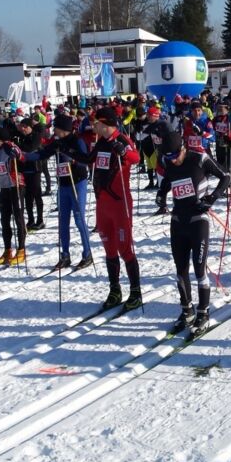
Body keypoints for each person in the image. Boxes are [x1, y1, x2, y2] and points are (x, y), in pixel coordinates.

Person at [155, 132, 230, 336]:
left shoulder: (199, 159)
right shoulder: (169, 161)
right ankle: (186, 309)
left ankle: (203, 312)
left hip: (198, 221)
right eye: (168, 157)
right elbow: (167, 182)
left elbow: (226, 176)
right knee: (180, 270)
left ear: (183, 149)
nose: (172, 161)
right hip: (178, 221)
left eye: (174, 156)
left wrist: (212, 198)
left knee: (199, 269)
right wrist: (161, 196)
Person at [23, 114, 94, 270]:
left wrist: (73, 159)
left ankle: (87, 254)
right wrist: (23, 156)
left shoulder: (78, 140)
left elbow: (86, 160)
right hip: (63, 184)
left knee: (79, 219)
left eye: (56, 127)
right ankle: (65, 255)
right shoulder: (58, 142)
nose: (54, 130)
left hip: (77, 182)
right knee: (62, 221)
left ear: (63, 129)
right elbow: (42, 154)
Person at [88, 107, 142, 310]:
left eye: (97, 123)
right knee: (109, 248)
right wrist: (65, 150)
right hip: (102, 204)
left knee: (125, 248)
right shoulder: (101, 142)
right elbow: (88, 159)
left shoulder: (122, 139)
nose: (95, 126)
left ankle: (135, 291)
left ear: (106, 124)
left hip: (120, 203)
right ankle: (115, 289)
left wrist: (123, 151)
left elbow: (135, 158)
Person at [0, 128, 26, 265]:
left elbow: (21, 157)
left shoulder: (10, 146)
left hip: (16, 185)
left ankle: (21, 250)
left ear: (1, 139)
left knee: (18, 217)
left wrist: (14, 152)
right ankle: (7, 250)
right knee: (4, 220)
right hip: (4, 187)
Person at [16, 118, 45, 231]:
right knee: (27, 197)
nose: (23, 129)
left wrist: (18, 146)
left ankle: (40, 220)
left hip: (35, 169)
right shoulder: (20, 137)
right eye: (22, 126)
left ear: (30, 127)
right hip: (24, 169)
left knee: (37, 194)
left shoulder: (36, 136)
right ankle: (31, 219)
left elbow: (30, 148)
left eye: (25, 127)